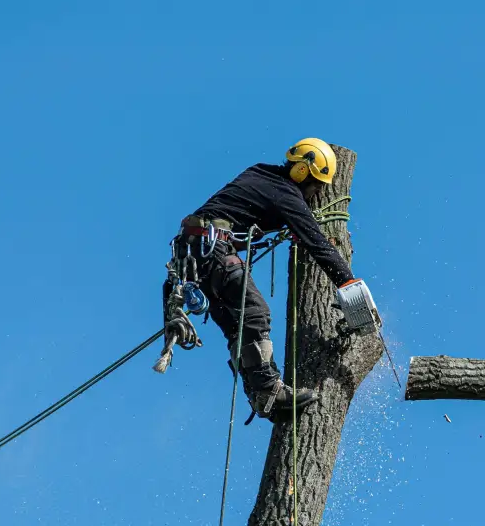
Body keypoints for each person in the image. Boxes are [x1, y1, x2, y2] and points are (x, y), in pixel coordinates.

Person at [160, 138, 375, 420]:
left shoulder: (260, 173)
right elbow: (317, 243)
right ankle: (268, 389)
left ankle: (261, 396)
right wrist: (350, 285)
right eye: (316, 187)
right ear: (301, 173)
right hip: (212, 252)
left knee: (239, 329)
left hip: (194, 258)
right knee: (255, 313)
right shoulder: (286, 193)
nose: (314, 194)